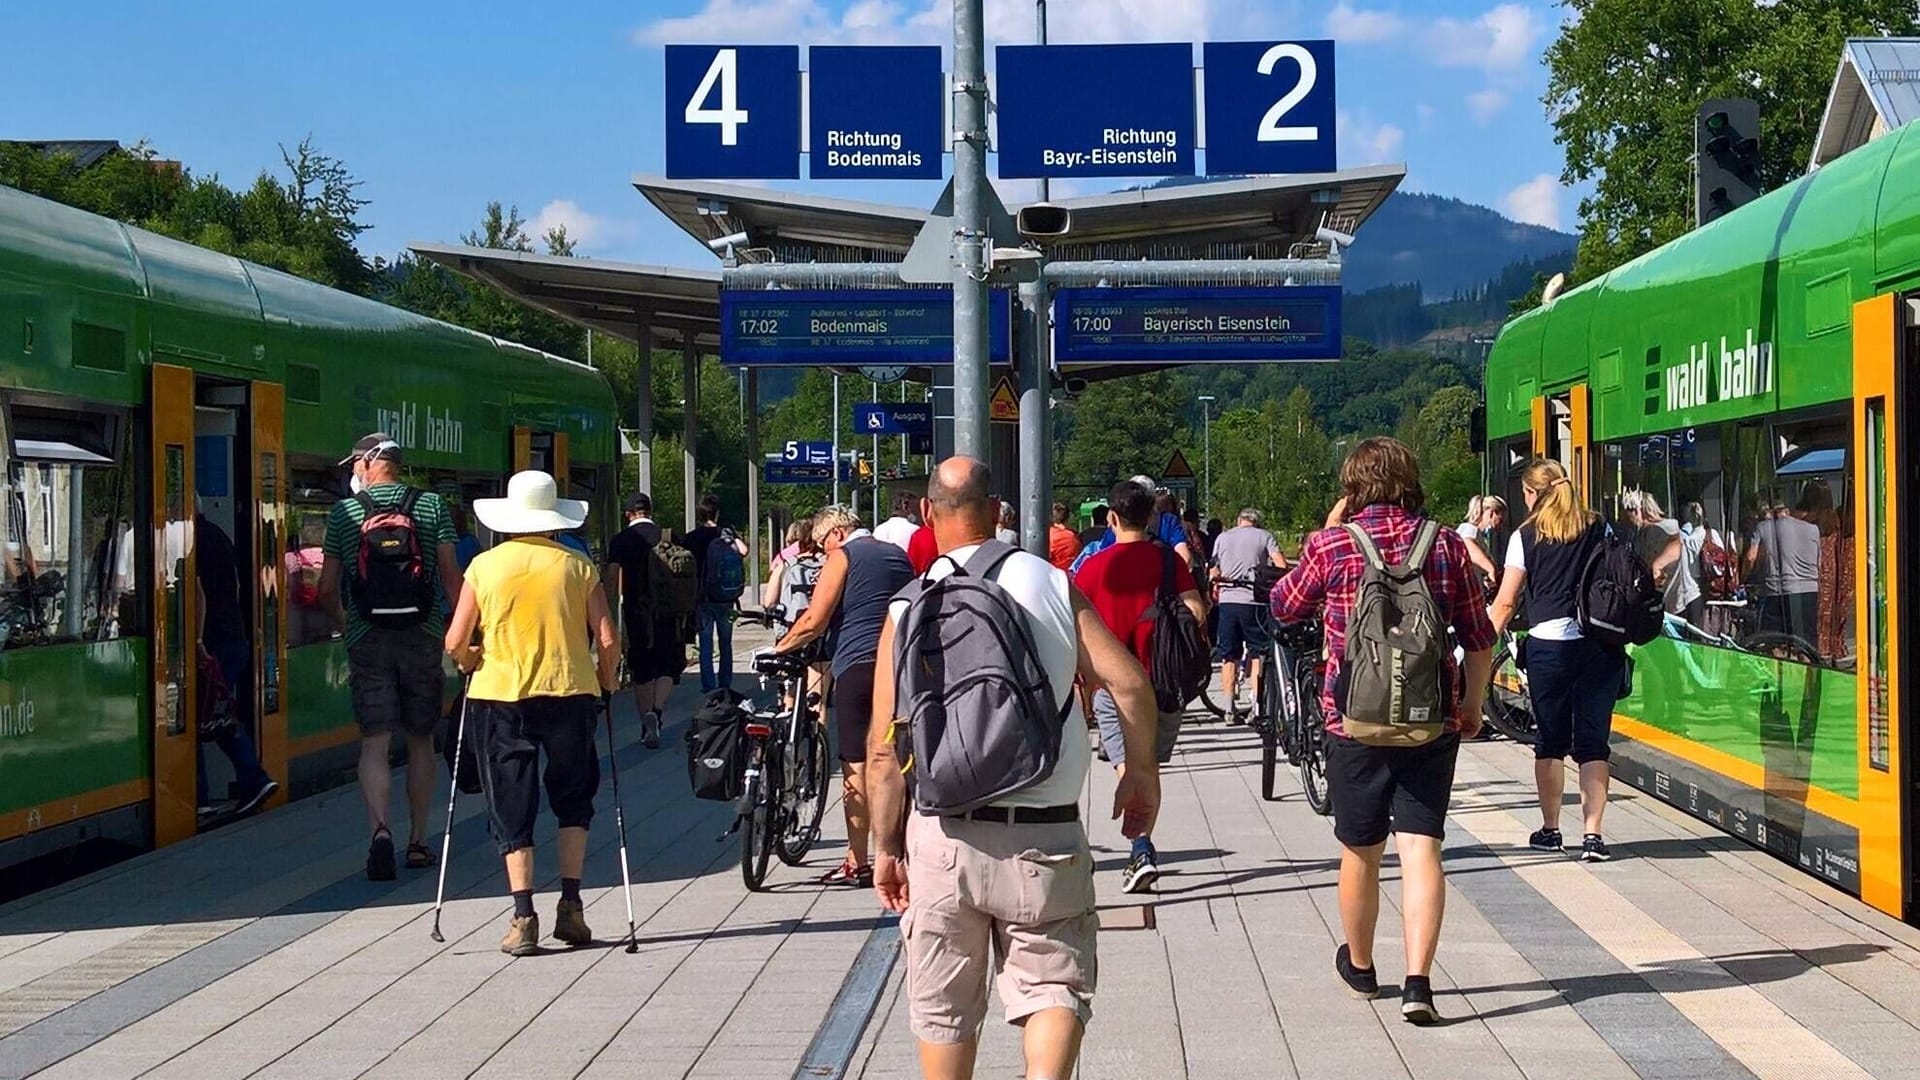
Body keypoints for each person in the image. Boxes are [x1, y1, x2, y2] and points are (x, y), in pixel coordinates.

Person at [866, 457, 1160, 1080]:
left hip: (943, 836)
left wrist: (885, 846)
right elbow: (1130, 685)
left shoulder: (906, 607)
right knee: (1053, 988)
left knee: (945, 1014)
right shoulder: (1051, 583)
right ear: (997, 512)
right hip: (1044, 835)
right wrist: (1140, 777)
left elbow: (884, 747)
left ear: (927, 514)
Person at [1271, 438, 1494, 1025]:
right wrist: (1470, 706)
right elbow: (1478, 636)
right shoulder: (1446, 544)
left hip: (1353, 722)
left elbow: (1283, 606)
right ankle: (1419, 983)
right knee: (1422, 848)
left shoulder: (1333, 544)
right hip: (1430, 720)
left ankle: (1363, 967)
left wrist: (1323, 533)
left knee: (1360, 850)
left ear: (1353, 486)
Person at [444, 470, 618, 956]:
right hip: (570, 692)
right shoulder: (578, 565)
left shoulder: (484, 566)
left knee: (511, 799)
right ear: (554, 517)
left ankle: (523, 917)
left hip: (500, 695)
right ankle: (571, 907)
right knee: (573, 795)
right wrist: (608, 679)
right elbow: (606, 639)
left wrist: (471, 661)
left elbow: (456, 641)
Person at [319, 433, 463, 881]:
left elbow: (326, 589)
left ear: (369, 462)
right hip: (422, 633)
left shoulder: (344, 513)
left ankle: (380, 831)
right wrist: (462, 630)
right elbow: (450, 577)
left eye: (355, 463)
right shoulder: (432, 506)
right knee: (421, 739)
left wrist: (349, 624)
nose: (353, 471)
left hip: (368, 636)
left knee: (375, 742)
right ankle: (418, 841)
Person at [1073, 479, 1206, 894]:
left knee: (1130, 766)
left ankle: (1141, 848)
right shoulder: (1169, 563)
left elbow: (1076, 632)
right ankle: (1141, 848)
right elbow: (1197, 612)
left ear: (1111, 517)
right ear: (1150, 517)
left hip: (1113, 687)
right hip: (1164, 683)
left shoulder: (1093, 568)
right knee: (1148, 767)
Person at [1489, 458, 1624, 865]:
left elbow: (1508, 601)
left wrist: (1478, 644)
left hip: (1549, 647)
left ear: (1532, 494)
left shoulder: (1525, 535)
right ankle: (1593, 836)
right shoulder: (1599, 525)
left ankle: (1551, 830)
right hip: (1600, 644)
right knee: (1593, 742)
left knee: (1550, 742)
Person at [773, 505, 913, 886]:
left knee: (856, 764)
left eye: (821, 545)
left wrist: (780, 648)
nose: (820, 553)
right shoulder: (897, 555)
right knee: (895, 757)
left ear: (835, 533)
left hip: (858, 664)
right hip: (899, 665)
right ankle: (898, 851)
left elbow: (815, 619)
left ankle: (857, 861)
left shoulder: (845, 555)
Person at [194, 507, 278, 815]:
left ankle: (203, 794)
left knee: (200, 716)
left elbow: (198, 594)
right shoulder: (219, 535)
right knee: (214, 713)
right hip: (234, 636)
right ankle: (251, 779)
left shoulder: (194, 538)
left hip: (214, 641)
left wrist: (198, 640)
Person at [607, 493, 685, 750]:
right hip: (668, 613)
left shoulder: (621, 540)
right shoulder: (669, 537)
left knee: (642, 670)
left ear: (628, 514)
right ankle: (658, 712)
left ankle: (645, 725)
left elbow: (611, 577)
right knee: (666, 667)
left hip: (637, 612)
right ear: (650, 511)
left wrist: (608, 612)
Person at [1210, 508, 1284, 724]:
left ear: (1239, 520)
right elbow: (1281, 566)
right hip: (1255, 603)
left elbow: (1213, 569)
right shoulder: (1265, 536)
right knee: (1257, 653)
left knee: (1228, 655)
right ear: (1257, 522)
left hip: (1228, 603)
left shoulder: (1222, 538)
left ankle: (1229, 708)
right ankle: (1256, 706)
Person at [684, 494, 749, 693]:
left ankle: (708, 685)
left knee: (705, 643)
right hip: (726, 598)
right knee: (725, 642)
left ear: (699, 515)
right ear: (717, 513)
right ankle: (725, 683)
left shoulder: (692, 537)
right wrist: (734, 535)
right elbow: (744, 551)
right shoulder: (725, 535)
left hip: (702, 598)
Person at [1746, 492, 1820, 643]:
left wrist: (1744, 578)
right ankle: (1807, 664)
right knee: (1806, 642)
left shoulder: (1763, 527)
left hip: (1776, 592)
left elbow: (1750, 557)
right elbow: (1820, 561)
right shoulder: (1813, 529)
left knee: (1773, 642)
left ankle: (1779, 665)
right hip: (1809, 591)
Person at [1623, 490, 1688, 617]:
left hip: (1665, 603)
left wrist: (1657, 564)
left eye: (1628, 514)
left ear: (1638, 511)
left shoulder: (1661, 529)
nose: (1626, 520)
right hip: (1670, 601)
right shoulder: (1654, 529)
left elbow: (1675, 547)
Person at [1047, 502, 1079, 570]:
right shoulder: (1073, 537)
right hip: (1069, 573)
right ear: (1068, 518)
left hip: (1052, 573)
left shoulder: (1048, 535)